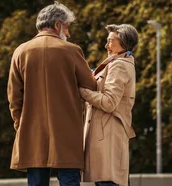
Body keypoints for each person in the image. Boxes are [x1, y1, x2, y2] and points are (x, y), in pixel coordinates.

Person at [7, 1, 97, 186]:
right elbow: (91, 87)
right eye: (67, 27)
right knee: (69, 181)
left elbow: (14, 97)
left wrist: (20, 124)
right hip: (67, 132)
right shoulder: (72, 51)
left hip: (33, 130)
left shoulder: (20, 52)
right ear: (57, 25)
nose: (69, 33)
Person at [79, 24, 139, 186]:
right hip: (106, 135)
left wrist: (82, 91)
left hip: (108, 136)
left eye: (110, 41)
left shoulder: (119, 65)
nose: (106, 45)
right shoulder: (114, 62)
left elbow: (109, 102)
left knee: (108, 182)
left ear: (124, 43)